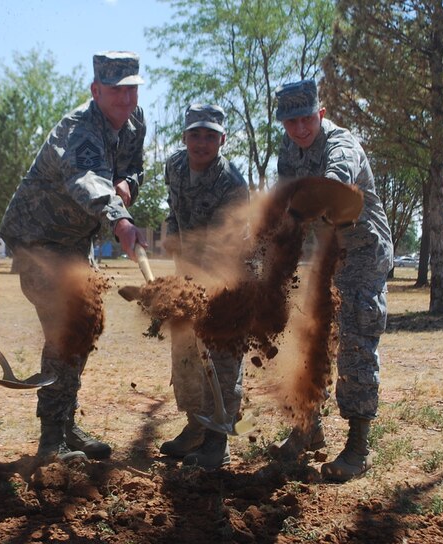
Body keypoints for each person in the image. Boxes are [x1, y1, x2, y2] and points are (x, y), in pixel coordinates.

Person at [0, 51, 147, 463]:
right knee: (65, 330)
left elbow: (132, 168)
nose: (125, 98)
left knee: (84, 327)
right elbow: (87, 181)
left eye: (131, 88)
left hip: (76, 240)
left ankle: (64, 424)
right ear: (95, 90)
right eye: (115, 90)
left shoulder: (135, 122)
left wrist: (128, 183)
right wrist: (120, 220)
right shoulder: (78, 129)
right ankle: (51, 440)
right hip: (39, 239)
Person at [271, 79, 393, 482]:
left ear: (320, 114)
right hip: (326, 253)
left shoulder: (342, 145)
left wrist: (293, 216)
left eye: (307, 119)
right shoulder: (288, 151)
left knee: (355, 342)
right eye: (291, 122)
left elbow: (332, 185)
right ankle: (308, 429)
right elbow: (288, 198)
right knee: (313, 336)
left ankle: (358, 447)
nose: (300, 129)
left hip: (362, 251)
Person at [160, 104, 249, 471]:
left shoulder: (232, 184)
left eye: (210, 136)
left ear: (222, 140)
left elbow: (223, 248)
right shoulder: (174, 167)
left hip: (228, 275)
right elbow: (174, 210)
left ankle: (218, 441)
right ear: (184, 138)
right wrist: (170, 232)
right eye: (195, 134)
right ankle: (195, 427)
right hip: (189, 273)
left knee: (221, 356)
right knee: (186, 354)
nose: (201, 142)